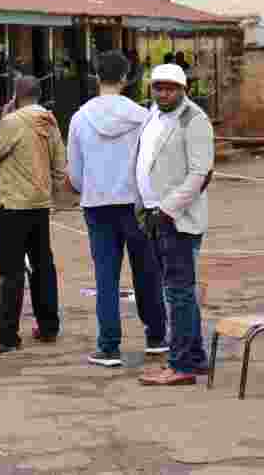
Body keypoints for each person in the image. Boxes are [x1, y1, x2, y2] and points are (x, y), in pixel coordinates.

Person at [68, 50, 168, 367]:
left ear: (96, 76)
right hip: (136, 205)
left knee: (106, 278)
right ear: (126, 79)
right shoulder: (143, 117)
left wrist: (94, 187)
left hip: (97, 206)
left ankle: (109, 346)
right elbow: (153, 164)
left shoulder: (80, 118)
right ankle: (156, 336)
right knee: (147, 272)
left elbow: (75, 174)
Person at [0, 76, 67, 353]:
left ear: (15, 95)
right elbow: (60, 164)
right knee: (42, 266)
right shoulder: (50, 120)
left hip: (12, 205)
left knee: (11, 272)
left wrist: (2, 119)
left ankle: (6, 335)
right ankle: (48, 326)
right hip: (39, 205)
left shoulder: (12, 121)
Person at [135, 64, 214, 386]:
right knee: (179, 291)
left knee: (177, 293)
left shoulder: (194, 119)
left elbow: (200, 173)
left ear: (183, 89)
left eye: (170, 88)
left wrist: (167, 210)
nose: (164, 93)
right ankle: (194, 358)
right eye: (158, 87)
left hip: (177, 219)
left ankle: (180, 365)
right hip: (153, 215)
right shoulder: (152, 114)